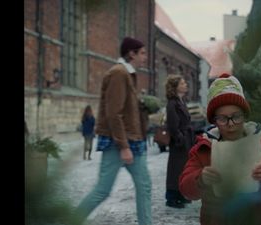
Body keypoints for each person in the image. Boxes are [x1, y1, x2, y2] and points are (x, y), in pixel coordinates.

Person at [179, 73, 261, 225]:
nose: (230, 124)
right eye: (222, 118)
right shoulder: (203, 149)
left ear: (245, 115)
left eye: (236, 116)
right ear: (214, 120)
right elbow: (186, 188)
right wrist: (200, 179)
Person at [73, 37, 152, 225]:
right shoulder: (118, 73)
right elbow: (113, 113)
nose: (145, 57)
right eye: (142, 53)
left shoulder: (128, 73)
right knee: (103, 190)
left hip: (134, 140)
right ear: (131, 54)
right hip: (120, 143)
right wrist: (124, 146)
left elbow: (125, 109)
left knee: (145, 186)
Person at [164, 74, 195, 208]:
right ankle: (171, 198)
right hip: (179, 141)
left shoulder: (181, 101)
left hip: (186, 139)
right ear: (175, 87)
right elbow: (172, 124)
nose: (185, 85)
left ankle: (181, 195)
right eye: (182, 83)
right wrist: (180, 138)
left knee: (183, 168)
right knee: (175, 169)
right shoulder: (172, 103)